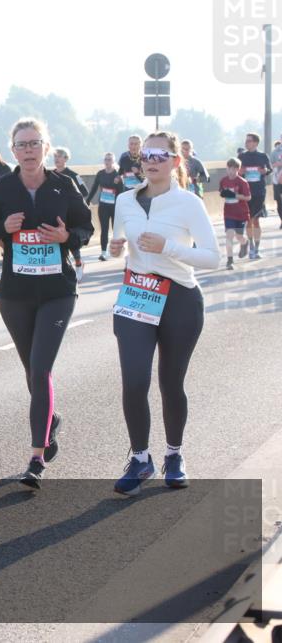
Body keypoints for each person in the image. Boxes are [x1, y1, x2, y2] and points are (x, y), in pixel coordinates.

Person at [0, 117, 93, 490]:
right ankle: (50, 420)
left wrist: (66, 236)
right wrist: (1, 229)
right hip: (16, 294)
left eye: (34, 143)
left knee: (41, 371)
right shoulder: (1, 189)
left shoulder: (64, 185)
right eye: (21, 145)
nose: (28, 150)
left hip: (57, 292)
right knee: (31, 372)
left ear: (46, 147)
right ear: (13, 151)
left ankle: (36, 457)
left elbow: (86, 230)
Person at [108, 131, 219, 496]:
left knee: (171, 383)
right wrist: (115, 247)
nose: (152, 160)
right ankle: (140, 459)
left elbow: (212, 258)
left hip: (180, 299)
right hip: (138, 294)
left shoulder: (188, 203)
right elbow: (119, 245)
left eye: (161, 154)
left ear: (175, 160)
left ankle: (174, 455)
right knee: (134, 381)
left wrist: (169, 247)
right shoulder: (125, 200)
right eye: (147, 154)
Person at [52, 147, 89, 279]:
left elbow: (85, 192)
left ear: (66, 159)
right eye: (55, 156)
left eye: (60, 156)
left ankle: (78, 263)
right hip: (57, 214)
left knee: (70, 239)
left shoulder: (74, 175)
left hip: (72, 214)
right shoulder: (50, 175)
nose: (57, 159)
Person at [238, 132, 272, 258]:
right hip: (246, 192)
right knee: (248, 220)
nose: (246, 143)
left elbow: (269, 170)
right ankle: (251, 246)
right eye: (246, 141)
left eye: (249, 141)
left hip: (259, 192)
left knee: (255, 220)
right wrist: (240, 172)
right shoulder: (241, 157)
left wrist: (264, 171)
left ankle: (256, 248)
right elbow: (236, 173)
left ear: (256, 143)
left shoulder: (263, 156)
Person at [86, 152, 123, 260]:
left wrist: (119, 183)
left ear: (113, 161)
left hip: (115, 206)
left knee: (116, 230)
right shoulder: (100, 174)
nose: (107, 162)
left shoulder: (117, 175)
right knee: (104, 229)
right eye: (106, 159)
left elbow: (121, 192)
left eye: (110, 160)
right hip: (103, 206)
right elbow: (94, 188)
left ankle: (118, 251)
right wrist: (87, 200)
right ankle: (103, 252)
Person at [218, 158, 252, 270]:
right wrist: (223, 194)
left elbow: (248, 197)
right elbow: (221, 192)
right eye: (228, 168)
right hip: (228, 212)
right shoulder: (223, 180)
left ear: (238, 169)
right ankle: (230, 260)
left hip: (241, 212)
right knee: (229, 235)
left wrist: (234, 195)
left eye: (233, 169)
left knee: (239, 236)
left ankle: (245, 242)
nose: (230, 171)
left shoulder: (242, 182)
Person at [272, 137, 282, 228]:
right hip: (277, 181)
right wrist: (276, 164)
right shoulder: (275, 152)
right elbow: (270, 166)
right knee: (279, 202)